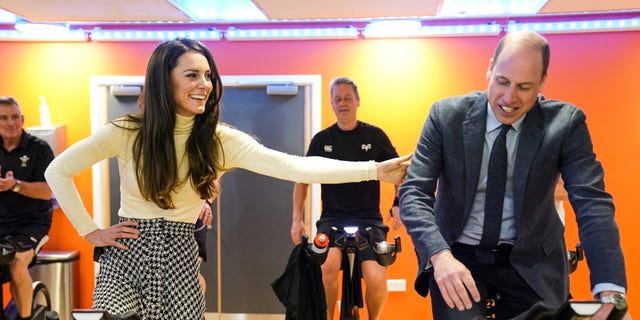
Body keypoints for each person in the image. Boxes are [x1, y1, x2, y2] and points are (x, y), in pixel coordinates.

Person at [44, 38, 410, 320]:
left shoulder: (219, 140)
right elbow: (57, 170)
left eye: (208, 76)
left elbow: (297, 167)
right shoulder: (126, 131)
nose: (204, 84)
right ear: (163, 80)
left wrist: (374, 170)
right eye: (192, 75)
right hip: (128, 250)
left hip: (180, 253)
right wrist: (90, 230)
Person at [399, 30, 629, 320]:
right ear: (490, 67)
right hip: (458, 256)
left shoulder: (566, 124)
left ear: (543, 82)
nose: (509, 98)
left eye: (524, 87)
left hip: (532, 260)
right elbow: (414, 193)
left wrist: (610, 292)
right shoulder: (446, 116)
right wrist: (439, 255)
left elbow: (591, 202)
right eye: (502, 81)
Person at [291, 77, 401, 320]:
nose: (343, 103)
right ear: (331, 103)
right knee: (327, 268)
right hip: (332, 218)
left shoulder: (375, 136)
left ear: (357, 101)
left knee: (375, 277)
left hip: (369, 219)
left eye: (347, 98)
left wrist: (397, 204)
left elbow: (399, 171)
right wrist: (296, 219)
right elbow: (302, 179)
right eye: (337, 99)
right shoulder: (322, 140)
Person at [0, 96, 55, 320]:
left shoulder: (39, 148)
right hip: (2, 223)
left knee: (15, 261)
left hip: (31, 223)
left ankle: (25, 318)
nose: (10, 122)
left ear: (22, 119)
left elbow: (48, 191)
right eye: (4, 118)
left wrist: (15, 186)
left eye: (14, 117)